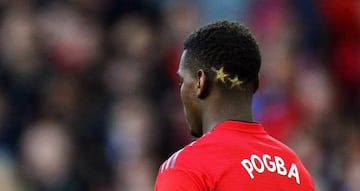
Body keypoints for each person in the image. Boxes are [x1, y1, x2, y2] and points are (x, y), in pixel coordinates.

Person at [154, 20, 315, 191]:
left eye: (182, 81)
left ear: (200, 82)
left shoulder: (186, 167)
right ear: (256, 84)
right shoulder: (295, 168)